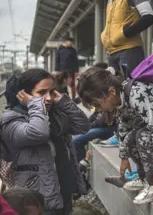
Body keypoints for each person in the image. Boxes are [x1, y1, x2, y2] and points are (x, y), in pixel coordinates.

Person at [76, 67, 153, 205]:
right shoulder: (120, 98)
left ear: (111, 92)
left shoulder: (136, 95)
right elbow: (124, 128)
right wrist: (124, 157)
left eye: (97, 104)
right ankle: (143, 178)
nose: (98, 109)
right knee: (131, 139)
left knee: (143, 136)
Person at [1, 69, 89, 214]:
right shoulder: (11, 120)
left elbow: (82, 126)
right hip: (36, 199)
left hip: (62, 191)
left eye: (52, 92)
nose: (48, 98)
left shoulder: (53, 115)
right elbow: (38, 133)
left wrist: (62, 102)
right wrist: (35, 104)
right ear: (24, 95)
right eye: (42, 93)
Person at [102, 0, 153, 77]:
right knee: (114, 91)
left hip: (130, 51)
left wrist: (124, 33)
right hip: (112, 52)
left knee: (132, 89)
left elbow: (149, 17)